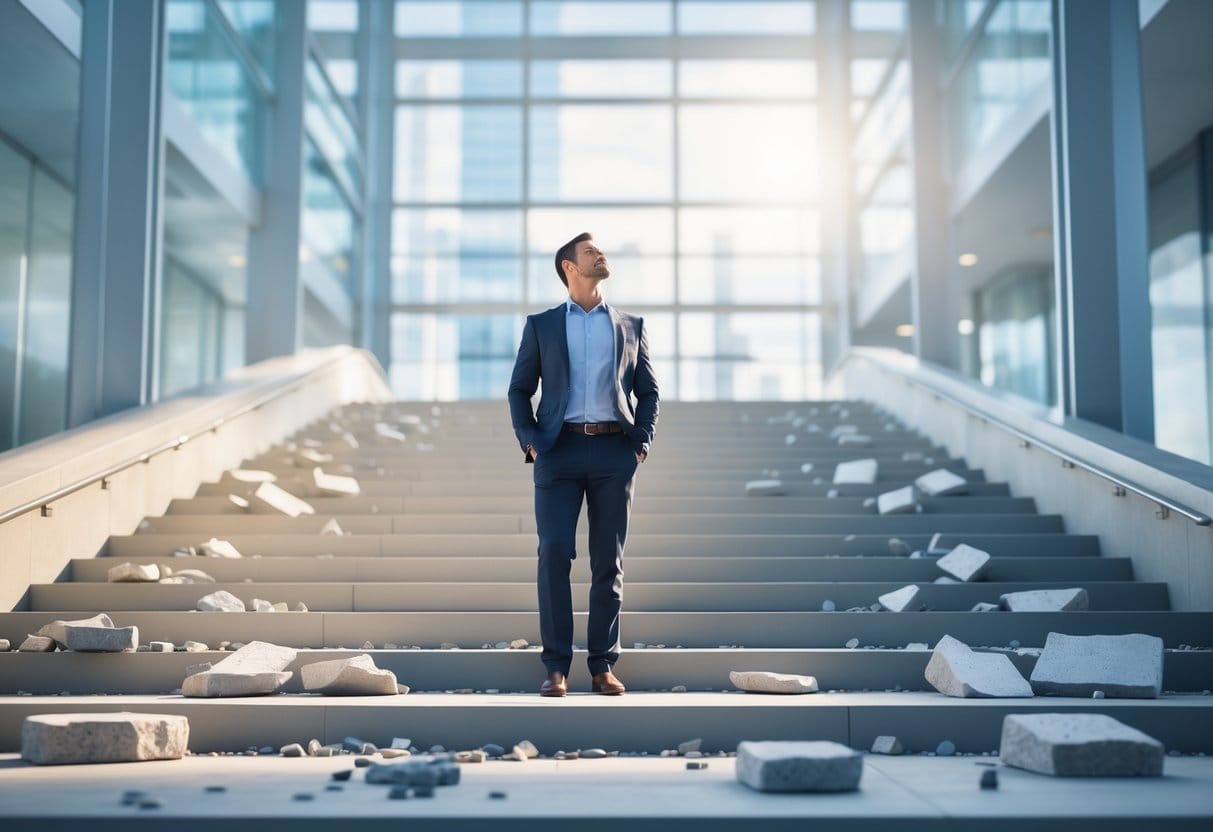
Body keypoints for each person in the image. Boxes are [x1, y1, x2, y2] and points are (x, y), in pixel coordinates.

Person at [507, 232, 659, 697]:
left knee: (607, 563)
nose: (601, 255)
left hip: (615, 452)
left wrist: (642, 443)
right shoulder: (542, 325)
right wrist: (531, 441)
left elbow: (647, 390)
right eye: (590, 252)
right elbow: (519, 389)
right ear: (569, 268)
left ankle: (601, 666)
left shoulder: (630, 324)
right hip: (558, 452)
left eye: (601, 250)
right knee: (554, 553)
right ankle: (555, 667)